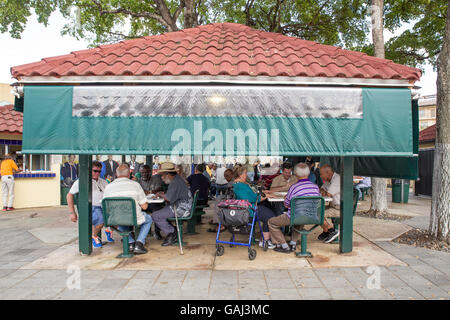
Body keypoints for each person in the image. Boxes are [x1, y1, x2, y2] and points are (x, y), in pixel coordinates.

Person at [268, 163, 321, 253]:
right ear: (308, 174)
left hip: (295, 216)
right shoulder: (315, 187)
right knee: (300, 219)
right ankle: (293, 243)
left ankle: (284, 246)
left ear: (296, 174)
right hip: (311, 216)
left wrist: (286, 199)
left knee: (271, 222)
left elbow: (286, 205)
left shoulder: (294, 187)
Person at [103, 164, 151, 254]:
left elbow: (106, 207)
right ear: (129, 174)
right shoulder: (135, 185)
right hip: (134, 218)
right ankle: (139, 243)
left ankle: (130, 242)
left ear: (116, 175)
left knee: (120, 219)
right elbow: (145, 206)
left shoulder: (108, 187)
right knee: (148, 219)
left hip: (115, 219)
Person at [67, 161, 114, 248]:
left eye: (99, 171)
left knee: (119, 215)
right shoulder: (81, 181)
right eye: (95, 171)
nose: (97, 173)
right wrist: (72, 212)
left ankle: (109, 229)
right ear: (89, 170)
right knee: (101, 220)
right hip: (91, 207)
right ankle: (94, 236)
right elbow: (69, 195)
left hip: (104, 206)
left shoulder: (103, 182)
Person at [232, 166, 277, 249]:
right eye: (245, 173)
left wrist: (265, 193)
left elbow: (252, 192)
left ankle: (264, 236)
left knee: (267, 207)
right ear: (240, 175)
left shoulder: (238, 184)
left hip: (245, 208)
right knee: (270, 216)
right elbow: (255, 198)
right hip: (249, 210)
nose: (247, 175)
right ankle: (265, 241)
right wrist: (267, 196)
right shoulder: (241, 186)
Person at [152, 162, 193, 246]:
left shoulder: (175, 182)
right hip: (182, 205)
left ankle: (172, 233)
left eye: (162, 175)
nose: (162, 178)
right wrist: (164, 194)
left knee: (155, 215)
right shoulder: (177, 179)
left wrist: (160, 194)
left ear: (168, 174)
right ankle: (172, 230)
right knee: (158, 211)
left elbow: (169, 198)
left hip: (181, 208)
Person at [318, 164, 340, 243]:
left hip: (340, 208)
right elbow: (321, 189)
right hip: (333, 205)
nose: (320, 176)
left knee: (317, 214)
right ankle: (326, 231)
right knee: (315, 210)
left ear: (328, 172)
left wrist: (325, 192)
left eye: (321, 174)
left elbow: (328, 194)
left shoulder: (337, 179)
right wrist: (324, 191)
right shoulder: (329, 180)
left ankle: (331, 230)